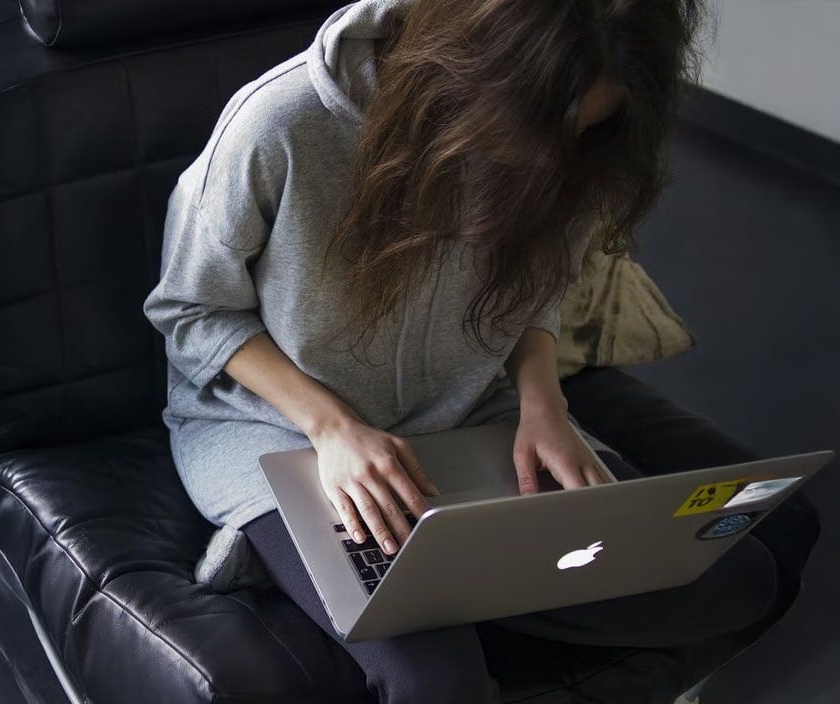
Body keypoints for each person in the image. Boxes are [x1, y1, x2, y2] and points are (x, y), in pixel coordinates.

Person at [143, 1, 785, 701]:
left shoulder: (573, 138)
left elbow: (536, 282)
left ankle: (454, 581)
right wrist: (335, 429)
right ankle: (313, 551)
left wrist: (545, 406)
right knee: (436, 682)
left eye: (579, 132)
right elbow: (189, 308)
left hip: (474, 415)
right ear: (470, 73)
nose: (552, 157)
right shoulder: (281, 122)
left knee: (737, 579)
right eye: (535, 131)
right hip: (281, 432)